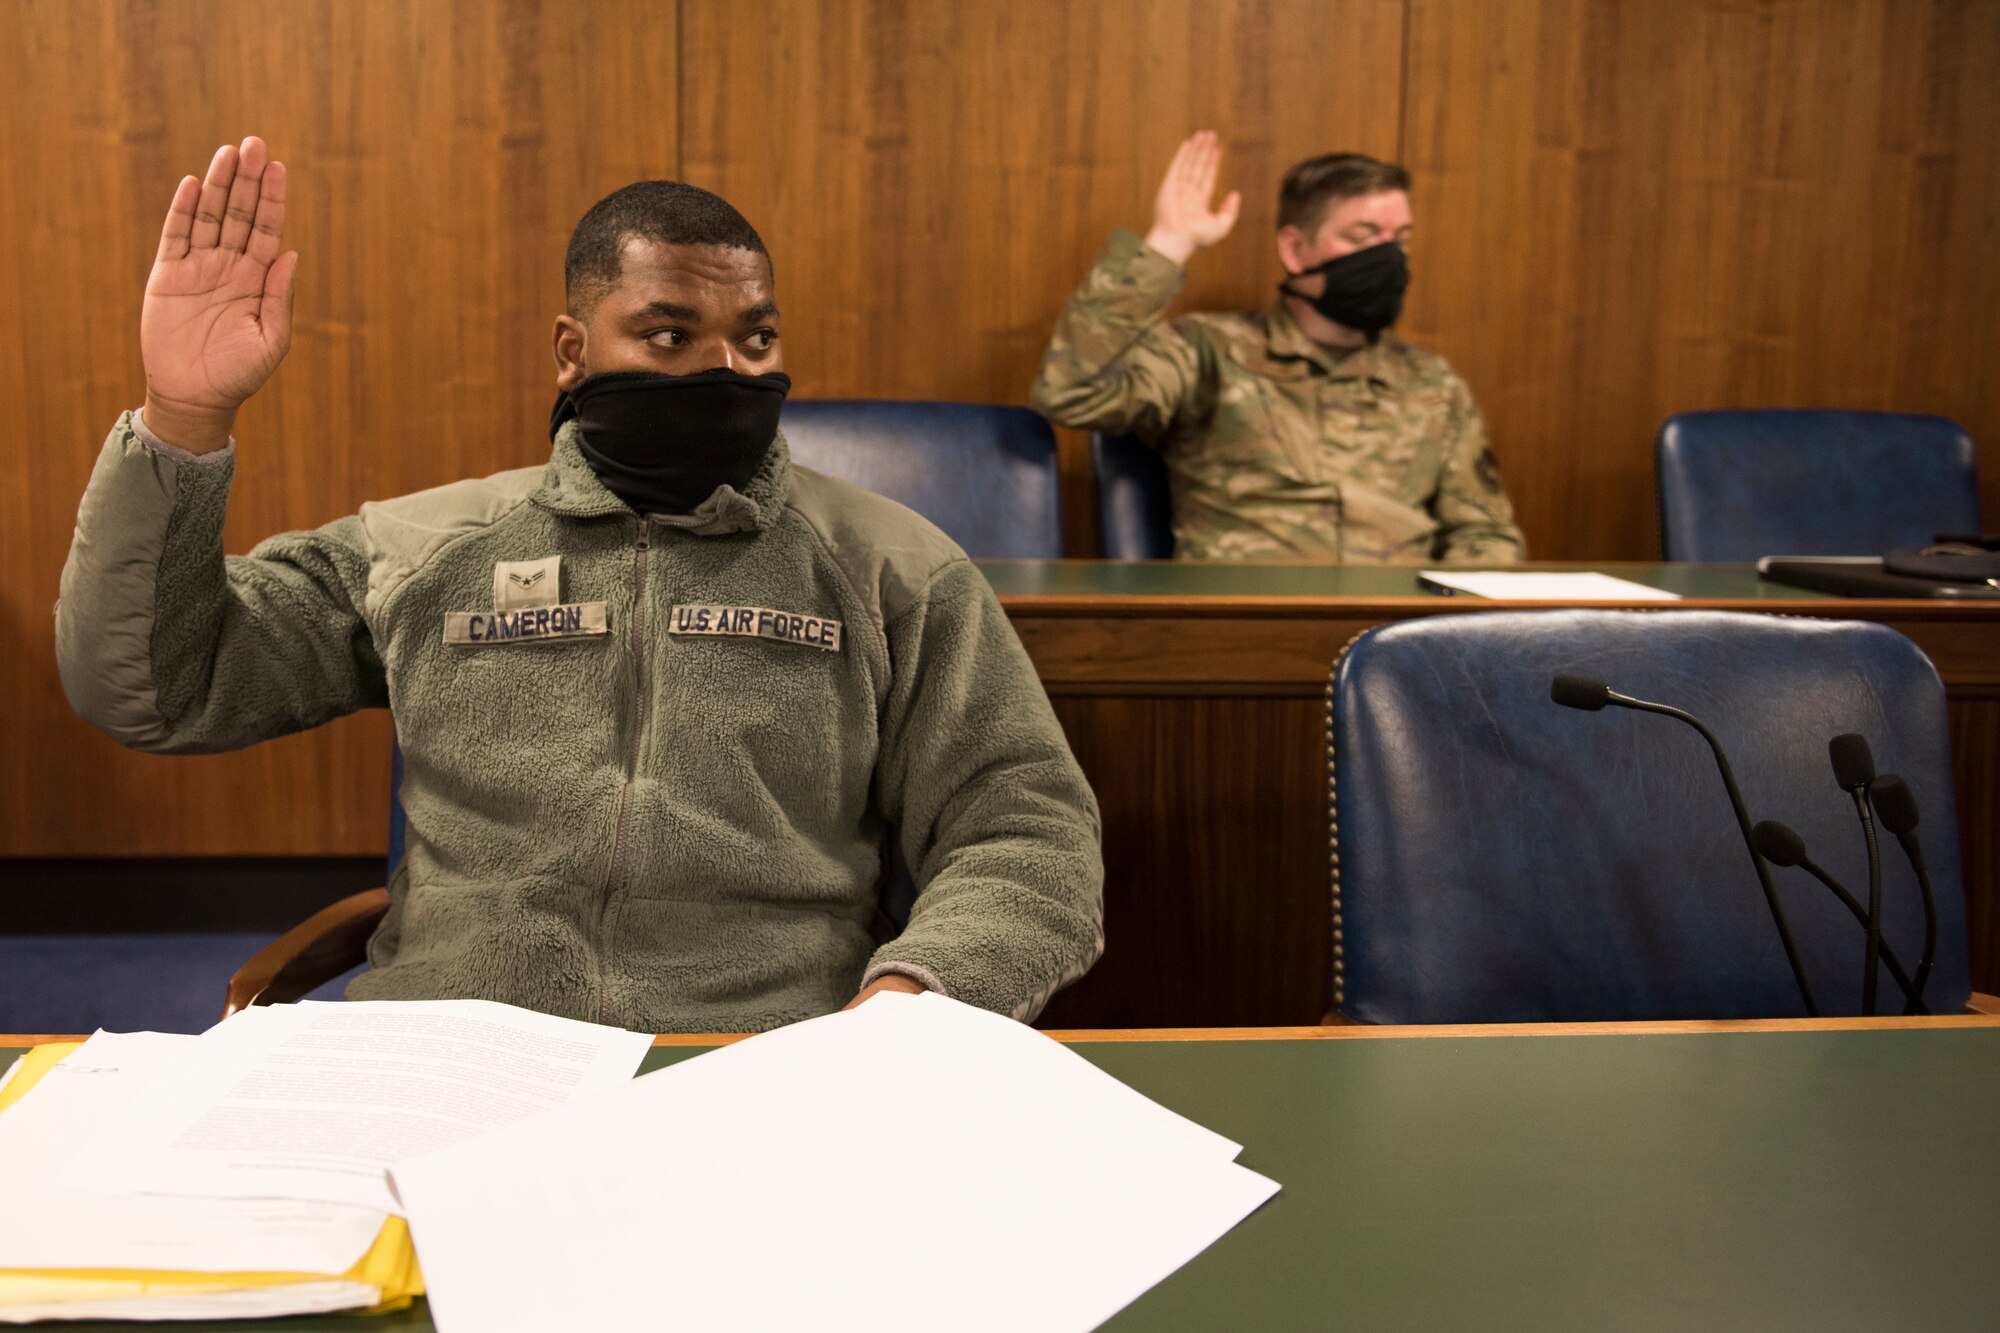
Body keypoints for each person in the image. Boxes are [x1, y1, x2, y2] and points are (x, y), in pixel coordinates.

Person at [56, 137, 1104, 1032]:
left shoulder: (889, 567)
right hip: (451, 1057)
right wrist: (180, 418)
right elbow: (159, 685)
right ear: (572, 349)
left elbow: (1021, 825)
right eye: (669, 335)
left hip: (761, 1061)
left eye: (756, 338)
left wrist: (915, 997)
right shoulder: (427, 546)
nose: (726, 371)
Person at [1033, 130, 1526, 564]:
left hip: (1393, 641)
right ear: (1294, 249)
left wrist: (1453, 628)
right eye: (1364, 236)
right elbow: (1071, 390)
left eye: (1400, 239)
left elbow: (1485, 533)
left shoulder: (1432, 383)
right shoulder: (1209, 351)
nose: (1388, 258)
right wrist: (1168, 244)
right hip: (1246, 632)